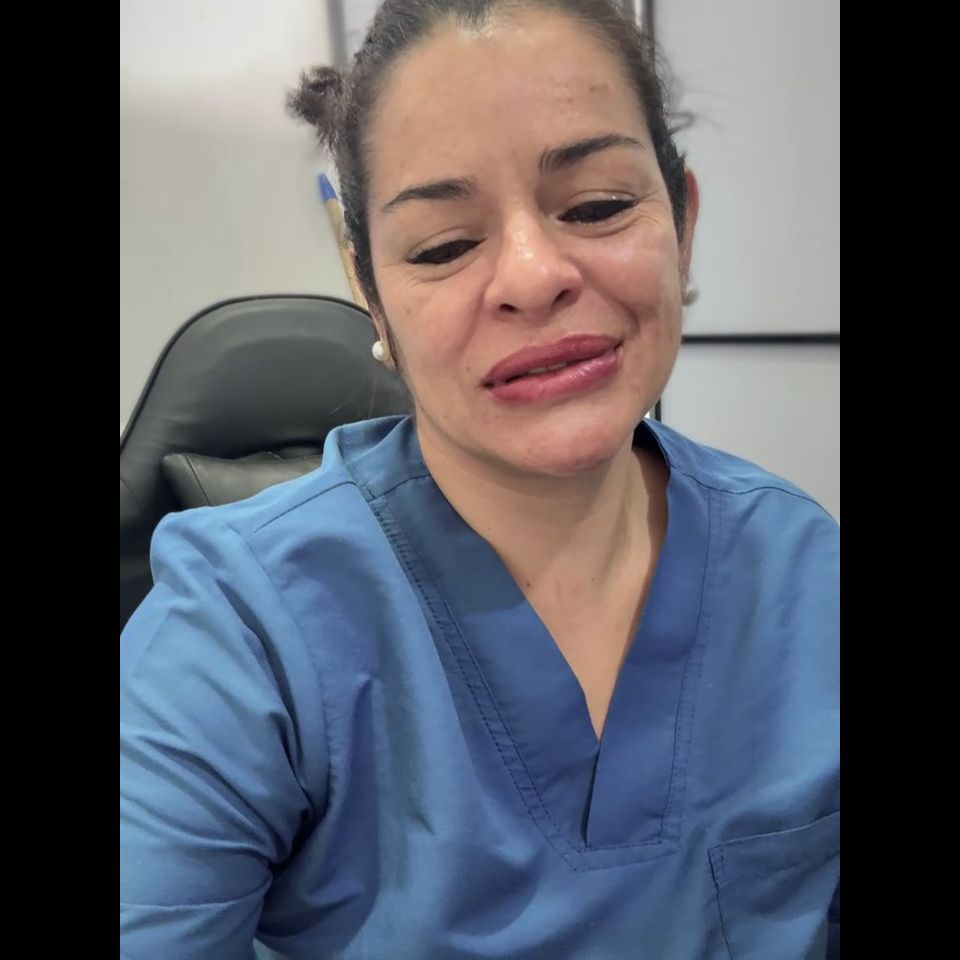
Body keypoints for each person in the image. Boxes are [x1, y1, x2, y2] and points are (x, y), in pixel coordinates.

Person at [119, 2, 840, 957]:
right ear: (370, 290)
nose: (533, 277)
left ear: (683, 221)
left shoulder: (807, 573)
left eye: (597, 206)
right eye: (444, 246)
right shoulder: (239, 630)